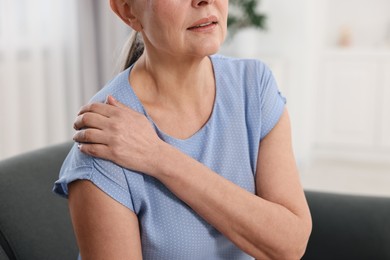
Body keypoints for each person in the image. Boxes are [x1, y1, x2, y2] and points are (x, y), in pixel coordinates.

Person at [54, 0, 312, 259]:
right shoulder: (106, 139)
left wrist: (159, 156)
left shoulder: (254, 86)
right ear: (127, 10)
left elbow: (290, 244)